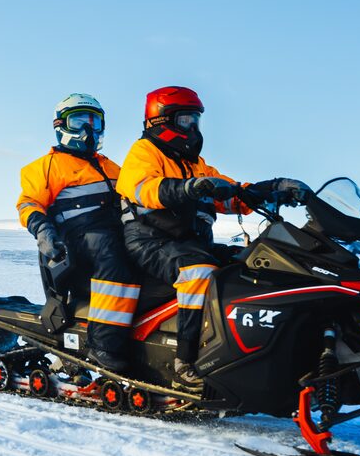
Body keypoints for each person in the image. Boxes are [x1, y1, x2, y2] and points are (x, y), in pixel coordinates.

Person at [117, 86, 303, 388]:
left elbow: (232, 194)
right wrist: (188, 188)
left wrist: (273, 188)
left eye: (196, 121)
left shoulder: (196, 166)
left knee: (249, 265)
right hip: (150, 242)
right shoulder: (143, 154)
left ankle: (242, 350)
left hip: (189, 243)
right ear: (162, 122)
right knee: (199, 273)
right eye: (186, 120)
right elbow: (144, 188)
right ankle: (185, 359)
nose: (194, 128)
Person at [17, 94, 138, 372]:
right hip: (75, 239)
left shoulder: (110, 166)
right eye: (81, 120)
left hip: (114, 230)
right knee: (113, 256)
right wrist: (43, 230)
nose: (89, 129)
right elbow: (28, 203)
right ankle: (103, 344)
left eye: (96, 122)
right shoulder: (44, 167)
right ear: (62, 124)